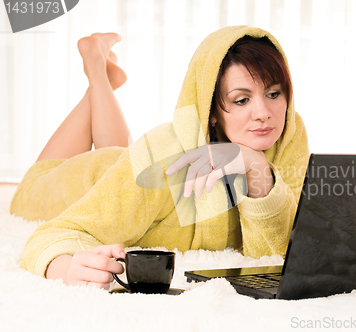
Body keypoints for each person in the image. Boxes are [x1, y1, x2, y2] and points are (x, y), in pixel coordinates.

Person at [11, 26, 309, 290]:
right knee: (38, 179)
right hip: (75, 180)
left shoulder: (287, 135)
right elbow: (49, 235)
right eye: (241, 100)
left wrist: (255, 164)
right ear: (211, 113)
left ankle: (100, 72)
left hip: (124, 162)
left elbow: (284, 250)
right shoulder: (165, 158)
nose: (263, 113)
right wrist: (62, 266)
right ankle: (96, 70)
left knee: (122, 154)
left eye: (273, 93)